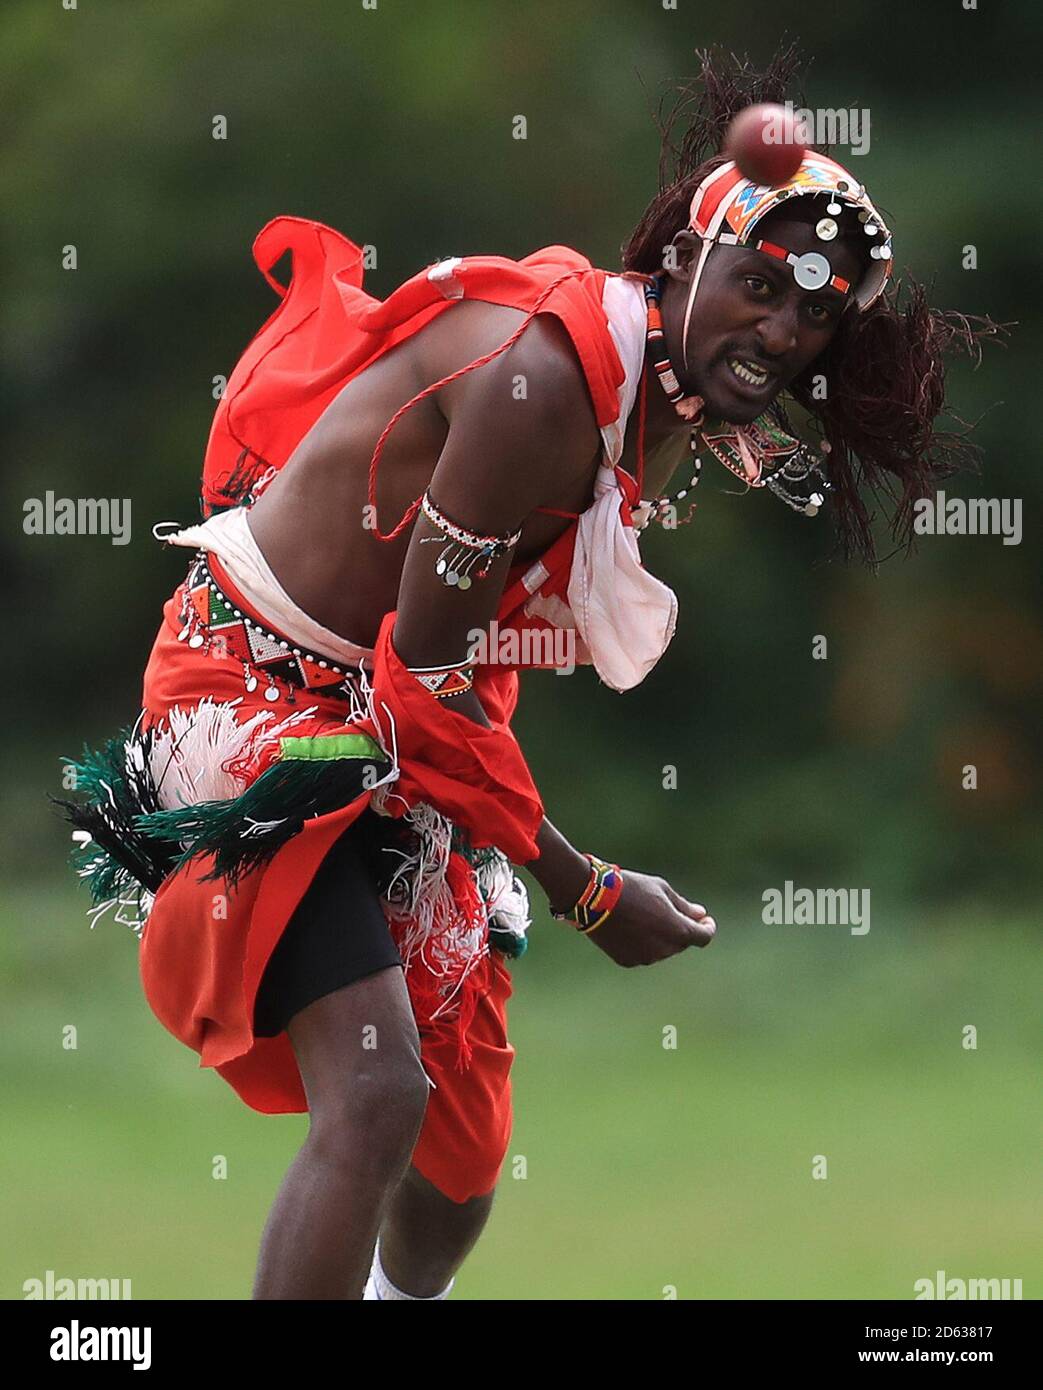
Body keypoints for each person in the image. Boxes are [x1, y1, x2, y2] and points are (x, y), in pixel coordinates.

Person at [59, 47, 996, 1300]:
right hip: (258, 690)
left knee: (456, 1164)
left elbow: (466, 653)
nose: (781, 327)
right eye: (761, 285)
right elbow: (426, 670)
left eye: (814, 312)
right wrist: (584, 885)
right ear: (682, 261)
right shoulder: (542, 380)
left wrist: (493, 818)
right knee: (380, 1089)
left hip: (393, 712)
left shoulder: (662, 402)